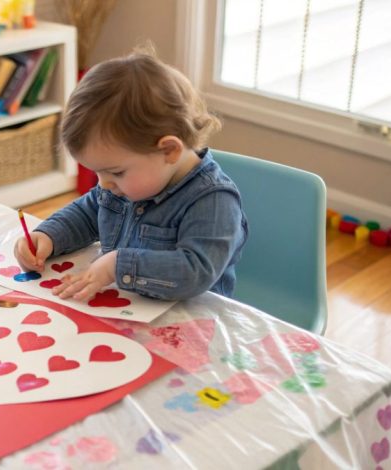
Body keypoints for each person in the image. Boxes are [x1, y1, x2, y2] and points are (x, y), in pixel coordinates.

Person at [14, 48, 248, 302]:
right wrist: (48, 236)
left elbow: (195, 271)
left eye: (115, 172)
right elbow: (87, 213)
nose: (103, 183)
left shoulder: (213, 201)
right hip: (129, 309)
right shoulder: (129, 182)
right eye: (98, 172)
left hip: (192, 324)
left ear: (169, 150)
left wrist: (118, 265)